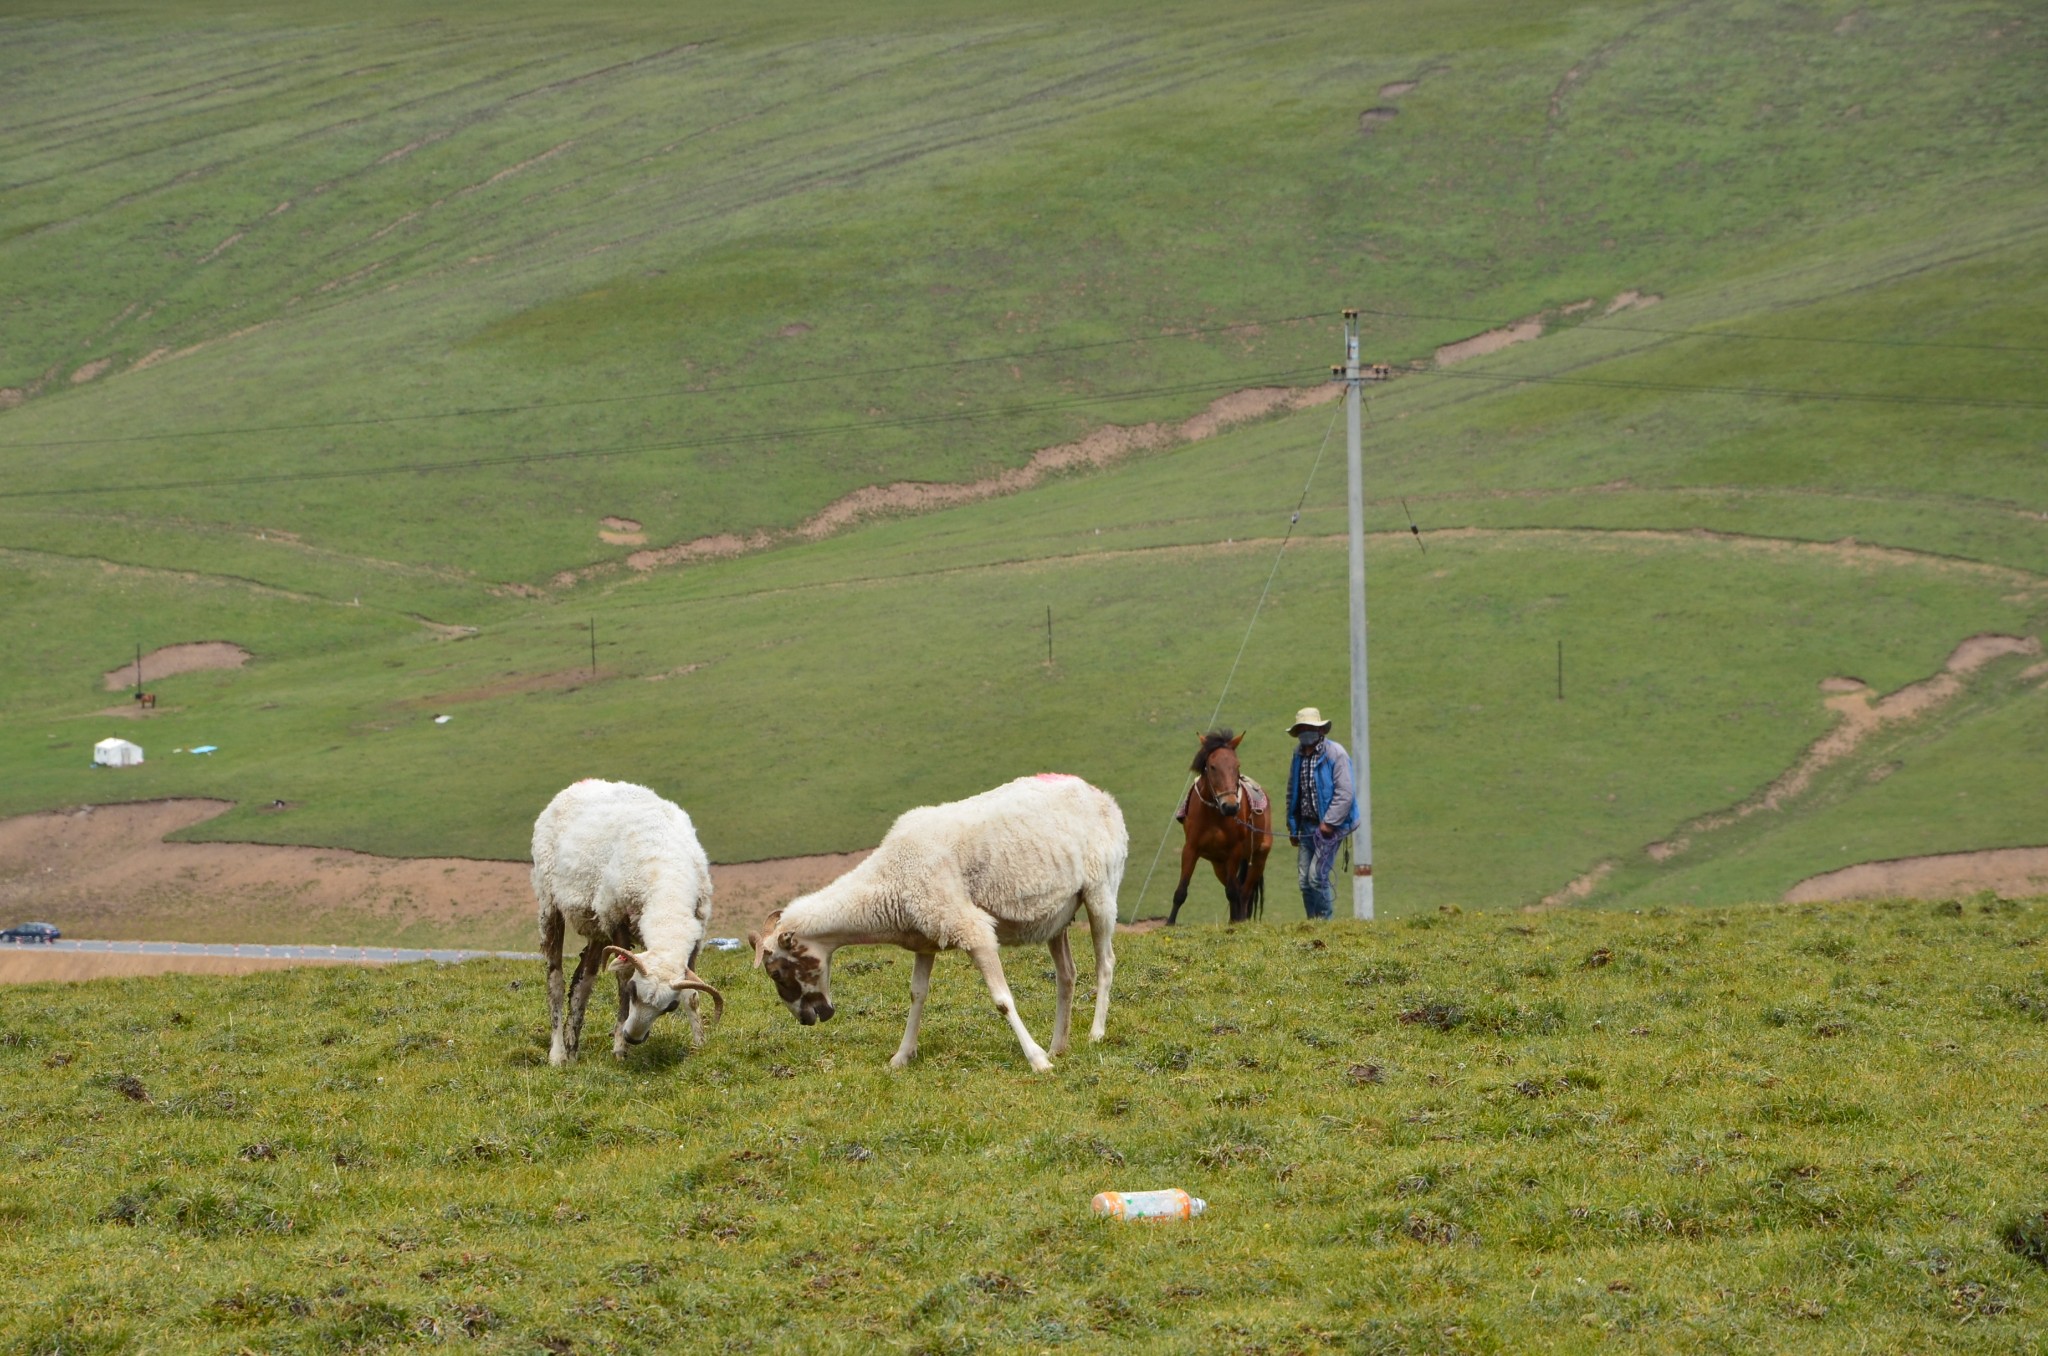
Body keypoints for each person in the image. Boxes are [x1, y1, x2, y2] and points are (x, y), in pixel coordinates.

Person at [1284, 707, 1357, 920]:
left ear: (1320, 730)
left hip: (1328, 829)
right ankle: (1312, 921)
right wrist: (1293, 825)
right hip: (1306, 826)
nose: (1306, 732)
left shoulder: (1336, 754)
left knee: (1317, 877)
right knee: (1304, 881)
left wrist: (1330, 822)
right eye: (1302, 729)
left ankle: (1324, 921)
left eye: (1309, 728)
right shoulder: (1297, 755)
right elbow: (1292, 791)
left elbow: (1345, 793)